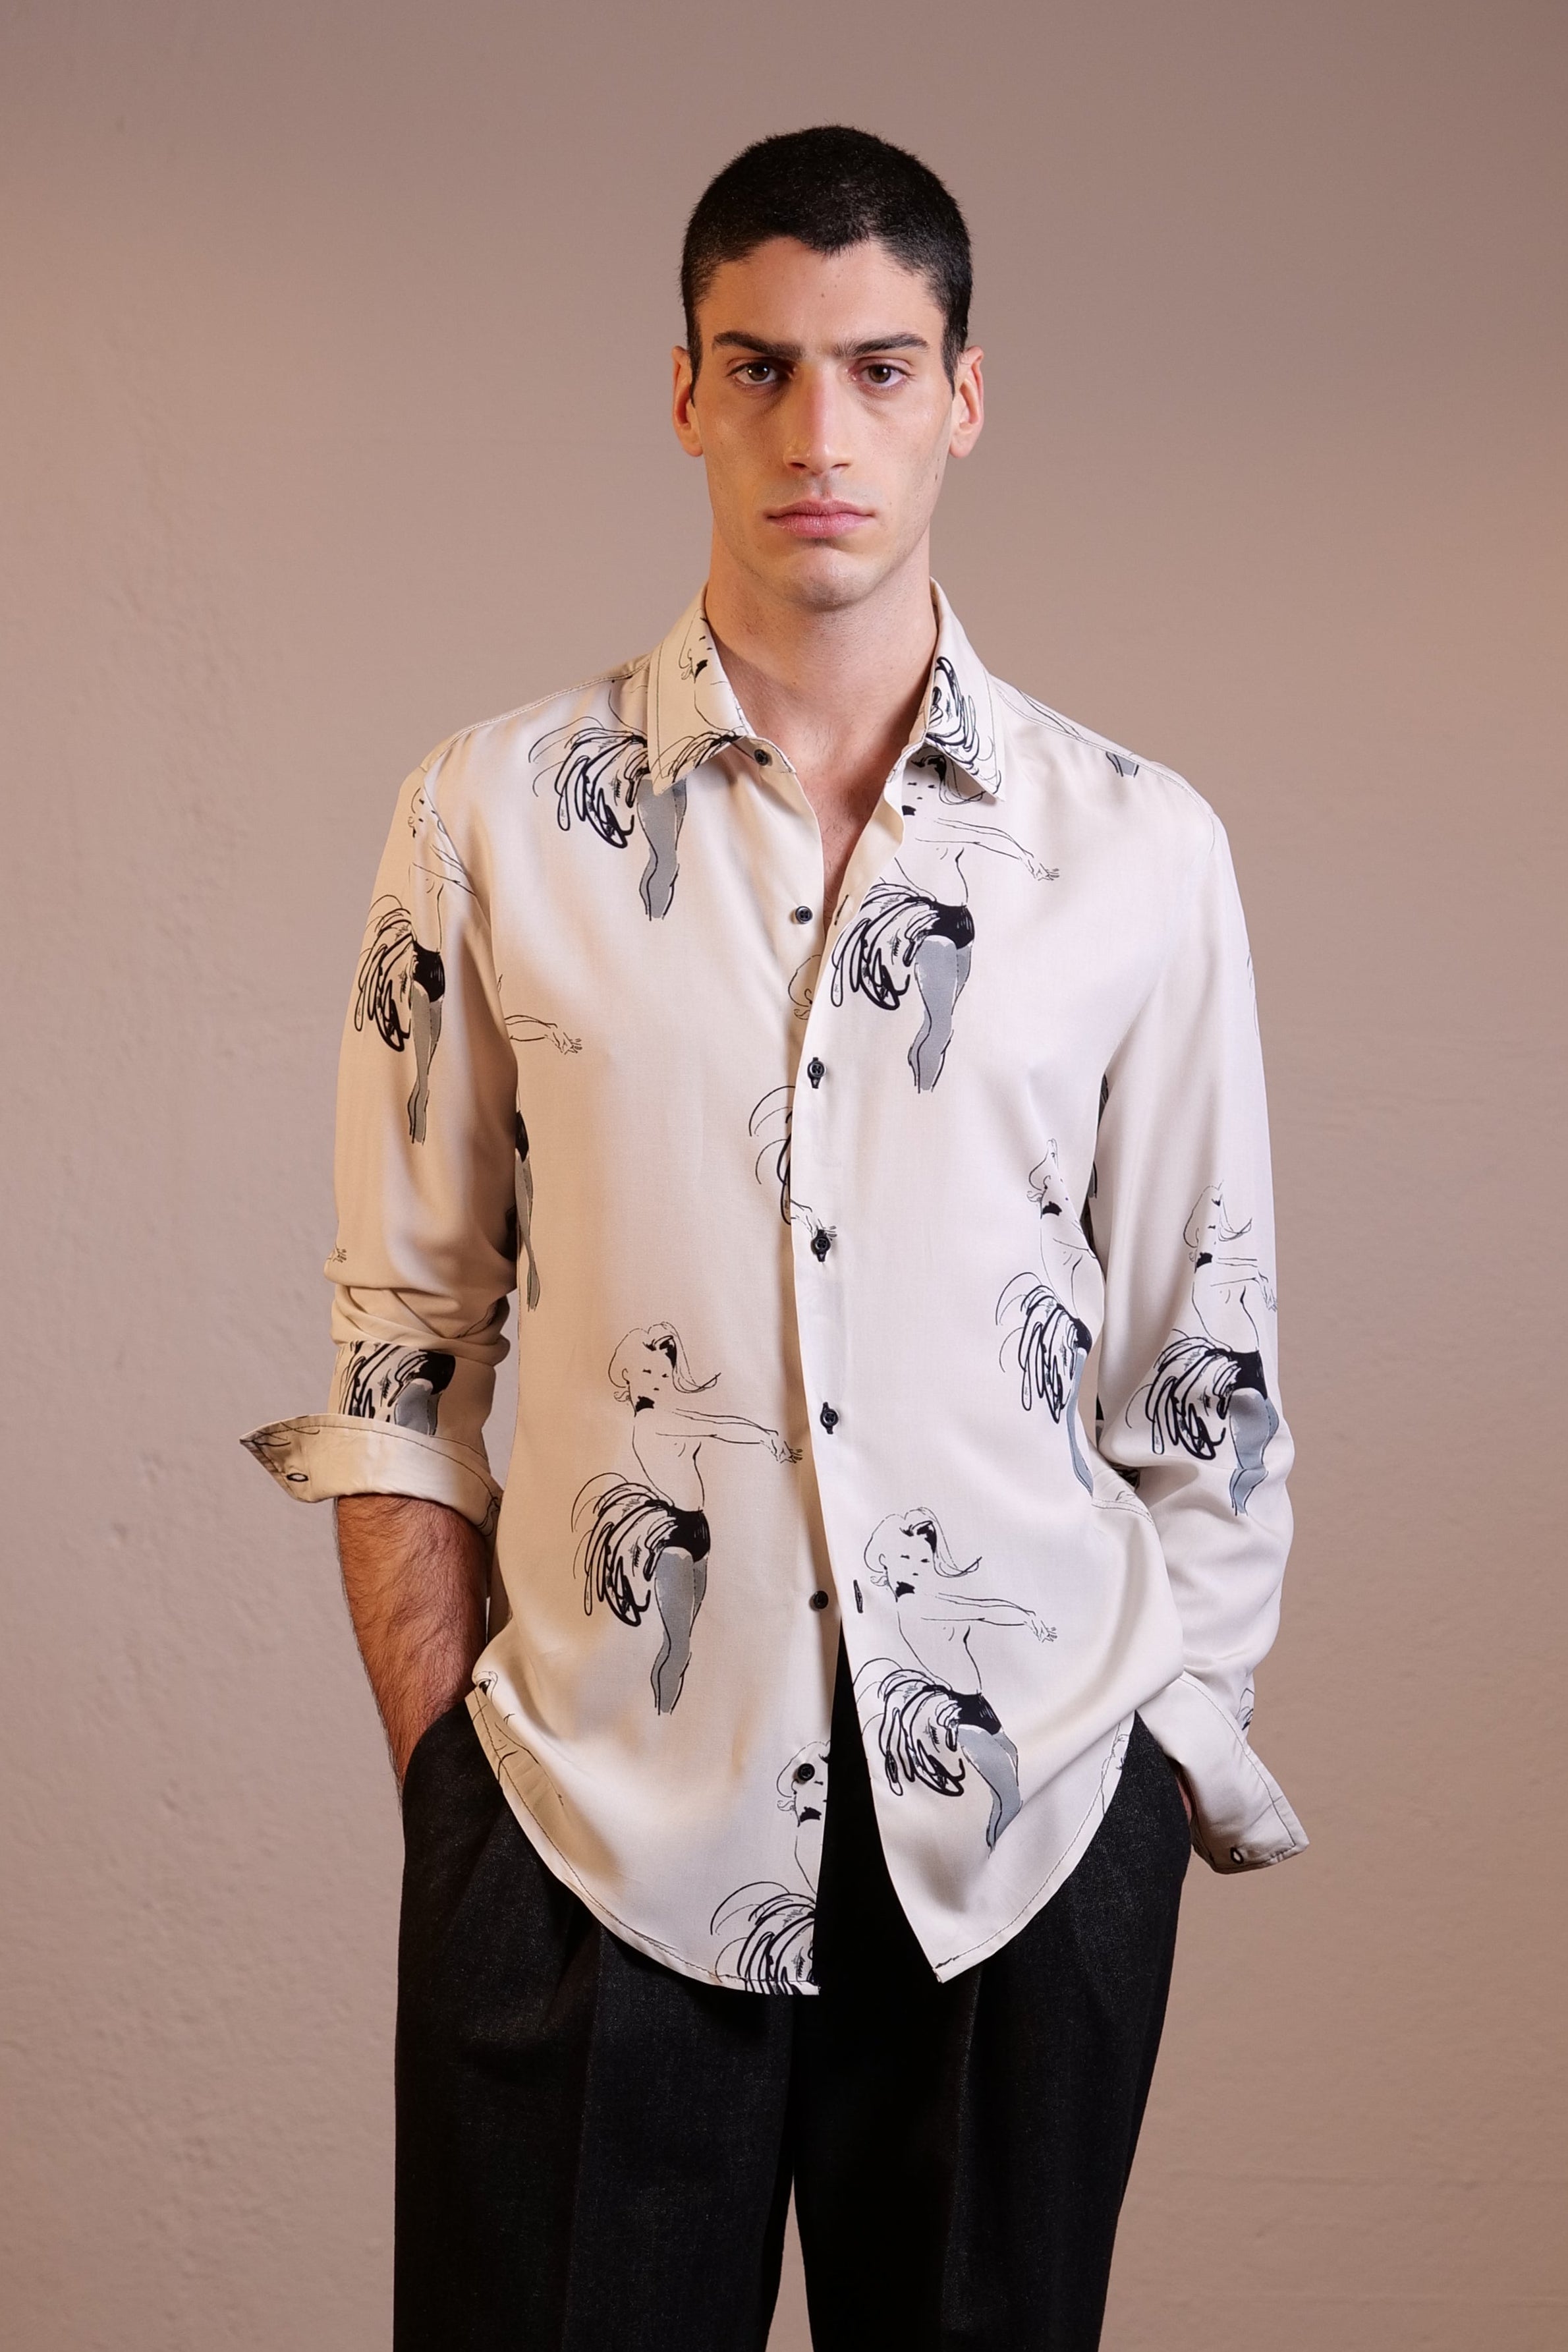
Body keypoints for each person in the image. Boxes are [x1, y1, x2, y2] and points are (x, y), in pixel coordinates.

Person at [244, 125, 1306, 2352]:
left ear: (963, 397)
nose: (821, 432)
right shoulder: (490, 816)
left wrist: (1156, 1767)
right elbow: (399, 1347)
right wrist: (453, 1793)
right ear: (684, 393)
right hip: (588, 1829)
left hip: (1023, 1834)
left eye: (880, 368)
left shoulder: (1135, 849)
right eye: (763, 367)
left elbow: (1199, 1366)